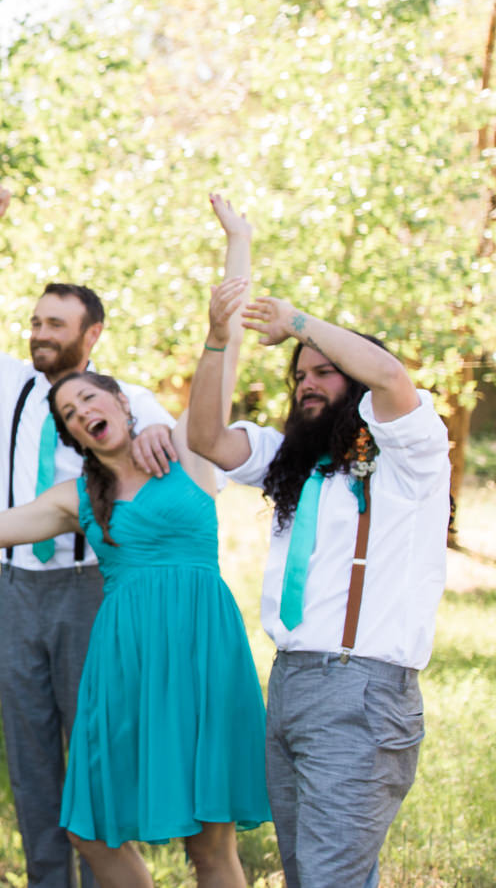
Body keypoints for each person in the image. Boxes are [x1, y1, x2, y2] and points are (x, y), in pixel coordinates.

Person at [0, 369, 270, 888]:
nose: (80, 413)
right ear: (72, 435)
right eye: (69, 414)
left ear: (120, 401)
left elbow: (221, 372)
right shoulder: (77, 497)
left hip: (201, 653)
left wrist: (219, 323)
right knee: (91, 829)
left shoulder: (184, 449)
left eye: (88, 398)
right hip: (124, 665)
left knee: (210, 840)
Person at [0, 184, 226, 888]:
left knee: (96, 753)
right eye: (35, 320)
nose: (39, 332)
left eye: (55, 323)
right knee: (32, 760)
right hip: (16, 591)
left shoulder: (126, 401)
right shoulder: (10, 380)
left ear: (92, 337)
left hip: (92, 593)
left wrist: (154, 430)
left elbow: (182, 451)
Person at [181, 279, 448, 888]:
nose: (307, 382)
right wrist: (218, 341)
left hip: (362, 689)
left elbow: (390, 376)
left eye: (326, 372)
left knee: (330, 878)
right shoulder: (294, 463)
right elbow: (204, 438)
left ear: (355, 380)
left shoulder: (412, 457)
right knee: (310, 874)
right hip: (291, 683)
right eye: (300, 375)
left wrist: (298, 321)